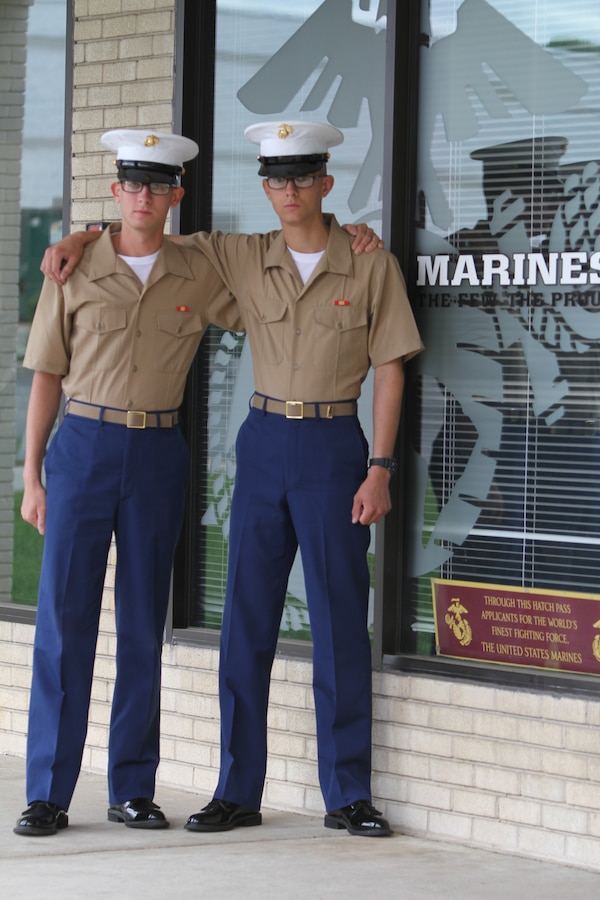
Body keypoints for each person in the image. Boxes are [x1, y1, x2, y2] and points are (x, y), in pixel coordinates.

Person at [17, 127, 380, 838]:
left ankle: (132, 788)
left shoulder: (199, 269)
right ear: (116, 191)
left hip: (157, 454)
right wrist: (30, 474)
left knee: (143, 623)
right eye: (132, 184)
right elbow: (46, 377)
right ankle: (47, 793)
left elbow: (290, 284)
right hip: (82, 447)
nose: (144, 195)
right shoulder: (73, 269)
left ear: (176, 194)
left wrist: (350, 240)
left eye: (158, 185)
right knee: (65, 623)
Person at [177, 121, 423, 837]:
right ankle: (236, 790)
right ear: (265, 187)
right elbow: (148, 241)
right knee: (244, 623)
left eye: (300, 177)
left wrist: (379, 467)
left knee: (342, 621)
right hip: (261, 444)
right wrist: (76, 240)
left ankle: (346, 794)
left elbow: (390, 370)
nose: (287, 191)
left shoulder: (370, 264)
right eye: (275, 179)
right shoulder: (243, 256)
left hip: (333, 448)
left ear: (325, 182)